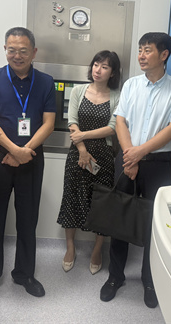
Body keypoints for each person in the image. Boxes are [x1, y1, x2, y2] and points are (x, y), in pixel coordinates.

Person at [0, 27, 56, 306]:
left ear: (34, 52)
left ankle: (24, 274)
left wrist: (24, 152)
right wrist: (14, 150)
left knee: (28, 220)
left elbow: (49, 123)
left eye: (23, 51)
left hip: (31, 158)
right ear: (5, 49)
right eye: (11, 50)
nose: (17, 55)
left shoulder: (45, 82)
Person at [100, 32, 171, 308]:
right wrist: (131, 156)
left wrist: (139, 153)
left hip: (158, 164)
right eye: (140, 49)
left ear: (164, 54)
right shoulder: (131, 85)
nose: (141, 55)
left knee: (155, 224)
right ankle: (115, 276)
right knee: (120, 217)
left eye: (147, 50)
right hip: (127, 159)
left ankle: (149, 280)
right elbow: (121, 121)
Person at [56, 51, 121, 275]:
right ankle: (70, 248)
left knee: (101, 204)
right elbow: (72, 122)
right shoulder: (78, 91)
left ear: (113, 72)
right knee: (71, 198)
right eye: (96, 64)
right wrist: (82, 149)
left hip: (104, 155)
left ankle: (97, 249)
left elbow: (112, 128)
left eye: (104, 66)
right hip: (77, 154)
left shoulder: (118, 96)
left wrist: (83, 135)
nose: (98, 70)